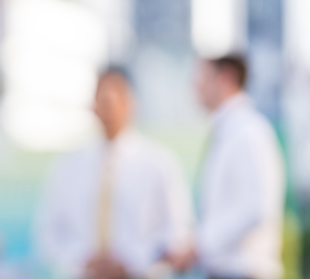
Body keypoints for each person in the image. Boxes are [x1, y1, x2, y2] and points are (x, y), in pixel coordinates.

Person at [35, 68, 195, 279]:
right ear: (92, 106)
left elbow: (178, 231)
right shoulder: (67, 166)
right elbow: (48, 233)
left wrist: (131, 261)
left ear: (131, 103)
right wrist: (83, 258)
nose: (107, 105)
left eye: (114, 97)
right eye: (101, 98)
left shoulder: (158, 164)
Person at [193, 55, 285, 279]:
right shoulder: (227, 131)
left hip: (244, 271)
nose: (196, 87)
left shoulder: (248, 131)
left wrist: (201, 243)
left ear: (225, 78)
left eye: (203, 78)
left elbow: (256, 207)